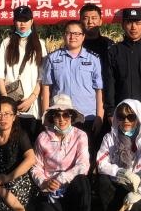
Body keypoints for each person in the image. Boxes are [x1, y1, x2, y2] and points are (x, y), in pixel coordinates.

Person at [30, 94, 91, 211]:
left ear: (72, 116)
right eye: (57, 115)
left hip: (71, 188)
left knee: (82, 181)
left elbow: (83, 164)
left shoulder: (80, 135)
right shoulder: (42, 138)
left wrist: (62, 178)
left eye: (66, 115)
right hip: (51, 191)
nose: (62, 119)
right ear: (52, 117)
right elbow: (36, 167)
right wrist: (44, 182)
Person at [40, 19, 104, 150]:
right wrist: (46, 116)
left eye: (77, 34)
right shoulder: (53, 58)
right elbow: (46, 88)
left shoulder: (93, 59)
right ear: (64, 35)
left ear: (83, 36)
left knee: (86, 155)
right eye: (69, 33)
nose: (72, 37)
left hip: (87, 117)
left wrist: (99, 117)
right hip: (61, 117)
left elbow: (99, 90)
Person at [0, 6, 47, 140]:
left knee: (31, 141)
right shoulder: (6, 43)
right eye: (19, 20)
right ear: (14, 22)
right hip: (11, 106)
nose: (22, 24)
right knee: (12, 141)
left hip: (33, 106)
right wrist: (7, 101)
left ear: (31, 21)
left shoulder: (40, 44)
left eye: (25, 20)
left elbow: (42, 76)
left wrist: (32, 98)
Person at [80, 3, 115, 77]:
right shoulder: (75, 45)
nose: (90, 22)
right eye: (86, 18)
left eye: (94, 18)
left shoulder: (109, 45)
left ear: (100, 21)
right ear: (80, 22)